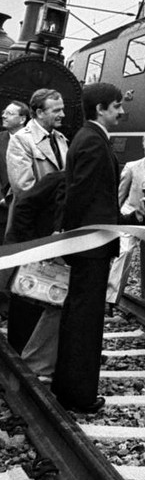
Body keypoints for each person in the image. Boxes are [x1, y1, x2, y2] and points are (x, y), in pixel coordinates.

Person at [52, 83, 124, 413]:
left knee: (77, 314)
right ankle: (79, 395)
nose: (121, 111)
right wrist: (72, 235)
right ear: (100, 109)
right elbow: (80, 194)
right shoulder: (94, 142)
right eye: (116, 106)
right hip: (91, 244)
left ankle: (66, 385)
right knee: (86, 319)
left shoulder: (86, 137)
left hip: (88, 242)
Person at [5, 90, 68, 377]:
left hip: (55, 229)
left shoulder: (61, 140)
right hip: (30, 230)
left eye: (62, 109)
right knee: (25, 291)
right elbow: (23, 188)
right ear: (38, 112)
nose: (62, 114)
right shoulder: (22, 140)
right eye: (56, 110)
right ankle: (20, 352)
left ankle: (39, 354)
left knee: (47, 293)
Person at [106, 133, 145, 306]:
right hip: (131, 219)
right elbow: (120, 195)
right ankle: (111, 300)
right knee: (125, 254)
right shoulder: (132, 167)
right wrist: (117, 219)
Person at [0, 101, 29, 244]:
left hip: (23, 210)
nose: (3, 116)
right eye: (4, 112)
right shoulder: (0, 139)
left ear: (22, 119)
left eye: (9, 114)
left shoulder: (31, 142)